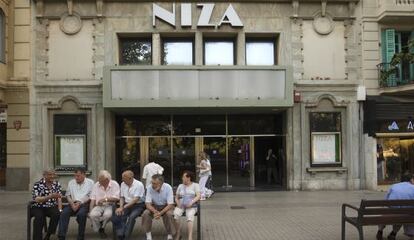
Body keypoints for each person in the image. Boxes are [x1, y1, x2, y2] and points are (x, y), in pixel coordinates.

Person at [58, 167, 94, 240]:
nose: (76, 177)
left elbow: (90, 196)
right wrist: (72, 204)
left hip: (84, 204)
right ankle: (61, 236)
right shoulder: (71, 182)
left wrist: (80, 203)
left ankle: (80, 236)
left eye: (78, 176)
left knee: (81, 214)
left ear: (84, 175)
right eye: (75, 176)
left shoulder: (90, 182)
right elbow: (68, 195)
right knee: (64, 213)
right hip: (72, 203)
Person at [376, 173, 414, 240]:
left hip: (392, 212)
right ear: (411, 180)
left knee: (387, 212)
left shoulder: (394, 186)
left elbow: (385, 201)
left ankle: (380, 231)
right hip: (406, 215)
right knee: (402, 214)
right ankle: (393, 233)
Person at [112, 170, 145, 240]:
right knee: (119, 214)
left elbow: (135, 199)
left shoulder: (139, 184)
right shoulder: (123, 184)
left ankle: (125, 237)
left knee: (131, 217)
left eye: (124, 178)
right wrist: (121, 207)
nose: (122, 180)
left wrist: (123, 207)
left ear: (130, 178)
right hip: (126, 204)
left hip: (138, 205)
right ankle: (120, 234)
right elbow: (122, 197)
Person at [142, 174, 176, 240]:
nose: (152, 185)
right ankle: (148, 234)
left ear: (160, 183)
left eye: (154, 183)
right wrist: (155, 211)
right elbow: (148, 204)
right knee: (145, 213)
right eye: (152, 182)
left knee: (169, 214)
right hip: (154, 206)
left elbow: (170, 204)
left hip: (166, 206)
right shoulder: (149, 187)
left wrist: (160, 213)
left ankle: (170, 233)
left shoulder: (168, 187)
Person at [31, 169, 63, 240]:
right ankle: (37, 238)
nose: (52, 176)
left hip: (51, 206)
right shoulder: (38, 184)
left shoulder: (56, 184)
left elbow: (59, 198)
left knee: (57, 214)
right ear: (44, 175)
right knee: (39, 217)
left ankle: (49, 234)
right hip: (38, 206)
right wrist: (49, 196)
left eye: (53, 174)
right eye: (50, 174)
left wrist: (60, 209)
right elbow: (37, 199)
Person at [89, 170, 120, 239]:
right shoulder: (96, 185)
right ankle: (100, 228)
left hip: (110, 205)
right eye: (99, 180)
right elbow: (92, 199)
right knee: (92, 215)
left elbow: (117, 198)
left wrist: (105, 199)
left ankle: (102, 228)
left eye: (101, 180)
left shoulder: (114, 184)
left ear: (107, 180)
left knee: (107, 215)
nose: (99, 182)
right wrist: (90, 210)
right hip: (98, 206)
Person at [174, 171, 201, 240]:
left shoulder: (195, 185)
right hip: (181, 204)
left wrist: (191, 203)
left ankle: (190, 237)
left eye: (183, 177)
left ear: (188, 178)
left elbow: (198, 196)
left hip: (191, 205)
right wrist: (178, 203)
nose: (182, 178)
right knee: (176, 215)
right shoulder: (180, 186)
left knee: (190, 216)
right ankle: (178, 233)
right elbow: (176, 197)